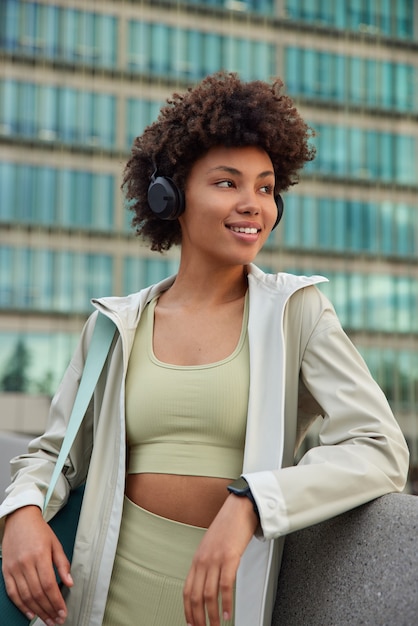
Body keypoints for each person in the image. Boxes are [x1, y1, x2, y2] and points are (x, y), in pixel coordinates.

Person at [0, 72, 409, 626]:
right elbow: (53, 454)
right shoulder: (115, 326)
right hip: (99, 600)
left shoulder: (297, 311)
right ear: (170, 194)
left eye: (265, 188)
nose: (253, 205)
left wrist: (252, 501)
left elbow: (379, 447)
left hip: (223, 606)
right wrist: (21, 513)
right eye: (227, 183)